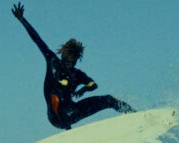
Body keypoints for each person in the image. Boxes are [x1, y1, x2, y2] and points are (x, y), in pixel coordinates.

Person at [12, 2, 136, 130]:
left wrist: (84, 89)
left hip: (73, 112)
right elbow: (38, 40)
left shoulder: (77, 75)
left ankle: (137, 116)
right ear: (62, 57)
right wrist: (22, 19)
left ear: (76, 61)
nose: (69, 66)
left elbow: (93, 85)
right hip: (55, 117)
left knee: (109, 99)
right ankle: (68, 130)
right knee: (56, 96)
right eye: (66, 62)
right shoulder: (52, 61)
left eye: (72, 63)